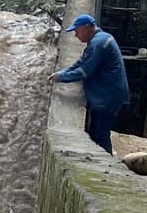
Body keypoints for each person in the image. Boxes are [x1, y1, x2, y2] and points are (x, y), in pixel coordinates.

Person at [50, 13, 130, 153]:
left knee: (100, 135)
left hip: (108, 98)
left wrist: (61, 78)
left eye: (77, 31)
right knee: (98, 132)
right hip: (109, 95)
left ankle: (106, 165)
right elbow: (81, 62)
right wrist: (62, 73)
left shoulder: (98, 44)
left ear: (87, 28)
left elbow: (84, 71)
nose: (75, 35)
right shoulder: (100, 39)